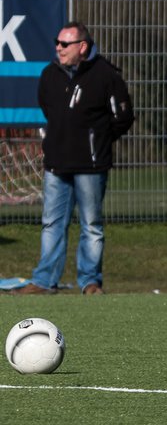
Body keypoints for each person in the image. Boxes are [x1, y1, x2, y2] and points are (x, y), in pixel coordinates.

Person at [17, 21, 134, 295]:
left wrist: (97, 142)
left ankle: (90, 282)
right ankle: (45, 281)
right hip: (56, 164)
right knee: (51, 223)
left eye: (65, 44)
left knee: (91, 225)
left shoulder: (106, 75)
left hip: (91, 166)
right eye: (57, 43)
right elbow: (48, 109)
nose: (59, 48)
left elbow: (123, 118)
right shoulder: (49, 75)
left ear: (82, 46)